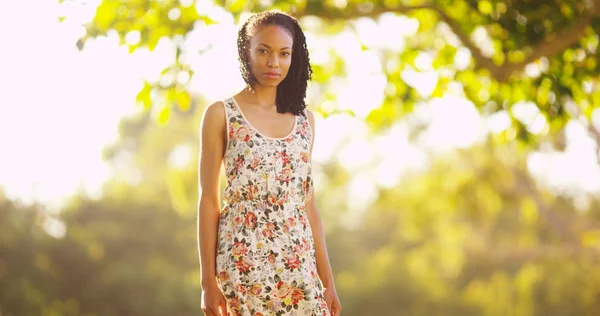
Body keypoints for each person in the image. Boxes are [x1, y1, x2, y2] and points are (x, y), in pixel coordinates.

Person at [197, 10, 342, 316]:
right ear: (245, 52)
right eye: (263, 51)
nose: (274, 63)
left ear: (294, 57)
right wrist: (208, 282)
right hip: (242, 260)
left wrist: (327, 282)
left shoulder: (306, 122)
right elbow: (209, 200)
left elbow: (308, 206)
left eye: (283, 54)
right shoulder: (220, 114)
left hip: (298, 262)